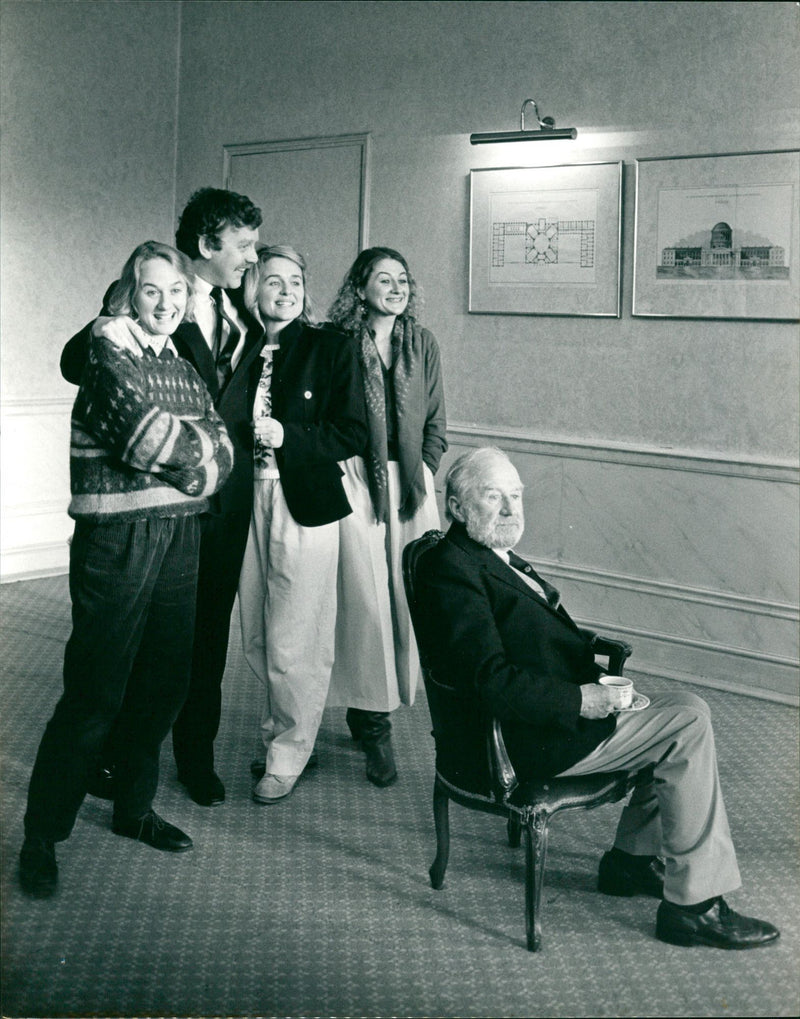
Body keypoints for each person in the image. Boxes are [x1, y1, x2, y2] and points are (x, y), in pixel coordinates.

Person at [412, 445, 780, 949]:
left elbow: (526, 634)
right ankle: (694, 907)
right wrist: (581, 700)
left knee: (671, 715)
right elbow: (490, 680)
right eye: (492, 496)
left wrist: (584, 656)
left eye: (516, 496)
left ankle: (629, 863)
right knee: (688, 721)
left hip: (545, 718)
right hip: (528, 739)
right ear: (456, 507)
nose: (510, 510)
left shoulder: (487, 554)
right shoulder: (452, 569)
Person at [19, 242, 234, 898]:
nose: (166, 303)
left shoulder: (182, 366)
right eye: (151, 292)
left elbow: (224, 449)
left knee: (163, 684)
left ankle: (133, 808)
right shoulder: (106, 354)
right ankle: (41, 836)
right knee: (95, 694)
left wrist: (197, 457)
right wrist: (198, 458)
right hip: (118, 541)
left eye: (176, 293)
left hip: (181, 538)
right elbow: (146, 437)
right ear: (127, 294)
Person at [60, 188, 263, 807]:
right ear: (207, 245)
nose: (251, 258)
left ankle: (193, 757)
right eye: (244, 245)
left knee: (200, 643)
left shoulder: (244, 316)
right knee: (129, 643)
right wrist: (109, 326)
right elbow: (77, 364)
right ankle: (109, 760)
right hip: (146, 508)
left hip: (222, 509)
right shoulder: (141, 300)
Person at [237, 245, 367, 803]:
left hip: (305, 502)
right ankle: (280, 736)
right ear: (252, 289)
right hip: (241, 500)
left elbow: (353, 431)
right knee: (257, 634)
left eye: (295, 280)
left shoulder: (330, 346)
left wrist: (289, 436)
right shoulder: (238, 347)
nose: (286, 291)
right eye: (272, 281)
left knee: (297, 636)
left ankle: (290, 752)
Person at [327, 247, 447, 787]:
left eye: (403, 278)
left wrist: (422, 471)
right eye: (383, 279)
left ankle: (384, 701)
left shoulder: (422, 343)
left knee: (409, 599)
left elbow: (437, 419)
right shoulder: (336, 345)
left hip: (412, 484)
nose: (396, 287)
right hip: (355, 480)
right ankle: (373, 724)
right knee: (365, 601)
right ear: (360, 288)